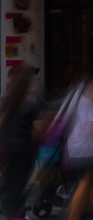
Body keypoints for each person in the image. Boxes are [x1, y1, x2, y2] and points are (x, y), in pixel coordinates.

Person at [0, 65, 42, 220]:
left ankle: (13, 215)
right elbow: (37, 131)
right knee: (19, 188)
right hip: (23, 152)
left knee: (10, 187)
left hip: (8, 151)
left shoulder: (7, 103)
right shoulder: (30, 106)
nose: (34, 86)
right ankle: (17, 216)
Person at [65, 78, 93, 220]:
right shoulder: (88, 105)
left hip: (76, 150)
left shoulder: (81, 101)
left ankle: (85, 211)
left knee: (87, 184)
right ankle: (73, 216)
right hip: (83, 152)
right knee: (86, 182)